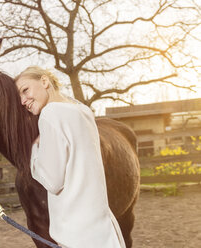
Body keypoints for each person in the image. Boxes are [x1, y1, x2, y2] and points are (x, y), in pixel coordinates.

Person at [15, 66, 126, 248]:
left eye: (25, 90)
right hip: (102, 227)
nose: (22, 101)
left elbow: (53, 181)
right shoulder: (83, 111)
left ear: (44, 81)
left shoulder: (50, 114)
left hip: (77, 234)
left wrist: (35, 151)